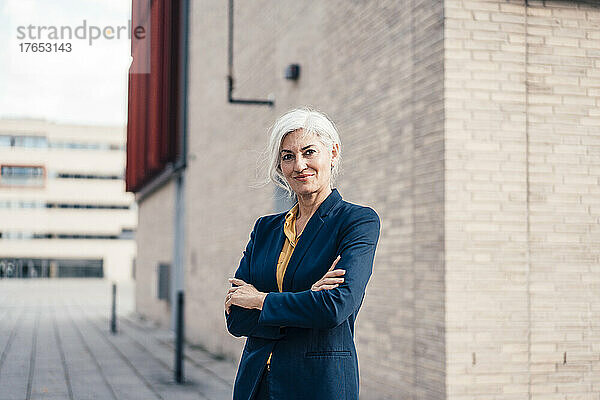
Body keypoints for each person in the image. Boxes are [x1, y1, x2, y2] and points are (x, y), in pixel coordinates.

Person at [224, 107, 380, 400]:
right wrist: (308, 298)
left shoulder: (357, 222)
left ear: (332, 153)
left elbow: (334, 308)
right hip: (255, 384)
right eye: (288, 156)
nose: (299, 165)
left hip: (317, 386)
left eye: (309, 152)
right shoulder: (265, 229)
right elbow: (237, 319)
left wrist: (261, 300)